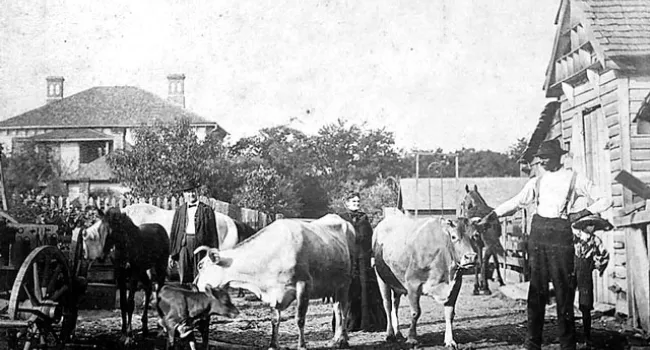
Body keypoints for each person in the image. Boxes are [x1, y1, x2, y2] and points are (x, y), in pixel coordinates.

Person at [478, 139, 612, 350]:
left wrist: (582, 212)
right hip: (538, 235)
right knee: (536, 292)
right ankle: (533, 343)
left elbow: (606, 200)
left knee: (564, 293)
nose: (541, 161)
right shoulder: (536, 182)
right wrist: (492, 215)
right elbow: (515, 202)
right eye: (540, 158)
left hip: (561, 236)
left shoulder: (574, 178)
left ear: (559, 156)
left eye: (546, 157)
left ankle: (567, 344)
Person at [333, 192, 386, 332]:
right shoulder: (341, 219)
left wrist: (373, 255)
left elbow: (370, 238)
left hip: (364, 258)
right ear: (347, 203)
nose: (356, 204)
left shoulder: (364, 218)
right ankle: (349, 322)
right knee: (349, 289)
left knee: (366, 288)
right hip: (348, 258)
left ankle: (369, 323)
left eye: (357, 202)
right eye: (353, 202)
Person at [572, 214, 612, 349]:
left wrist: (596, 265)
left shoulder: (596, 240)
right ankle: (570, 335)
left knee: (586, 304)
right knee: (567, 300)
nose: (592, 227)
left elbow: (604, 255)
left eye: (594, 225)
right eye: (590, 224)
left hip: (585, 272)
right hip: (571, 271)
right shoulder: (574, 238)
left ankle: (587, 336)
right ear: (584, 226)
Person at [169, 181, 218, 285]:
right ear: (184, 195)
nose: (191, 195)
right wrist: (172, 254)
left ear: (197, 192)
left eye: (193, 192)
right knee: (184, 276)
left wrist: (214, 251)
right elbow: (174, 232)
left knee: (199, 275)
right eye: (188, 192)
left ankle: (198, 297)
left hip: (200, 246)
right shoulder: (179, 211)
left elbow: (213, 233)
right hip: (183, 245)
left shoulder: (207, 210)